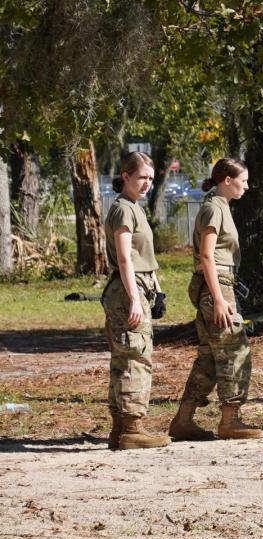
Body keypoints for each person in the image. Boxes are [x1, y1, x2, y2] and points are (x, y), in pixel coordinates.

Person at [168, 158, 263, 441]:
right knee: (236, 352)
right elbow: (207, 255)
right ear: (226, 180)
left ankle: (183, 420)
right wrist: (219, 299)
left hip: (220, 285)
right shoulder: (213, 208)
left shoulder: (221, 207)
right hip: (217, 287)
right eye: (242, 181)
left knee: (209, 359)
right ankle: (230, 420)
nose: (246, 186)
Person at [102, 152, 170, 450]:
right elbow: (125, 258)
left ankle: (120, 428)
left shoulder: (134, 208)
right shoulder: (123, 210)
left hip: (140, 286)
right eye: (142, 177)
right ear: (125, 175)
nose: (147, 184)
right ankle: (132, 427)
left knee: (125, 357)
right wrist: (133, 299)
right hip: (128, 289)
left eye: (151, 179)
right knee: (135, 356)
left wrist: (154, 289)